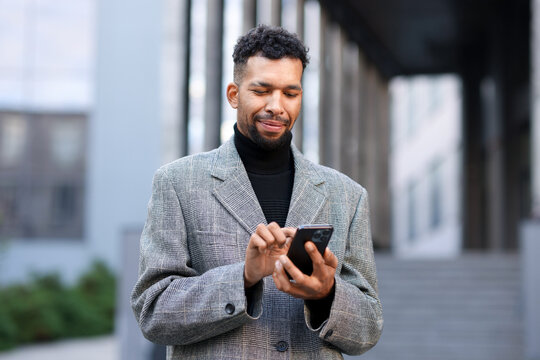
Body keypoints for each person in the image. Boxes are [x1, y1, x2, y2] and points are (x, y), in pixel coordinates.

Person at [131, 25, 383, 360]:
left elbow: (369, 328)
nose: (277, 106)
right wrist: (245, 277)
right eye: (262, 90)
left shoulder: (348, 196)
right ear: (234, 94)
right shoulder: (177, 182)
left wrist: (327, 294)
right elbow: (153, 312)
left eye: (290, 94)